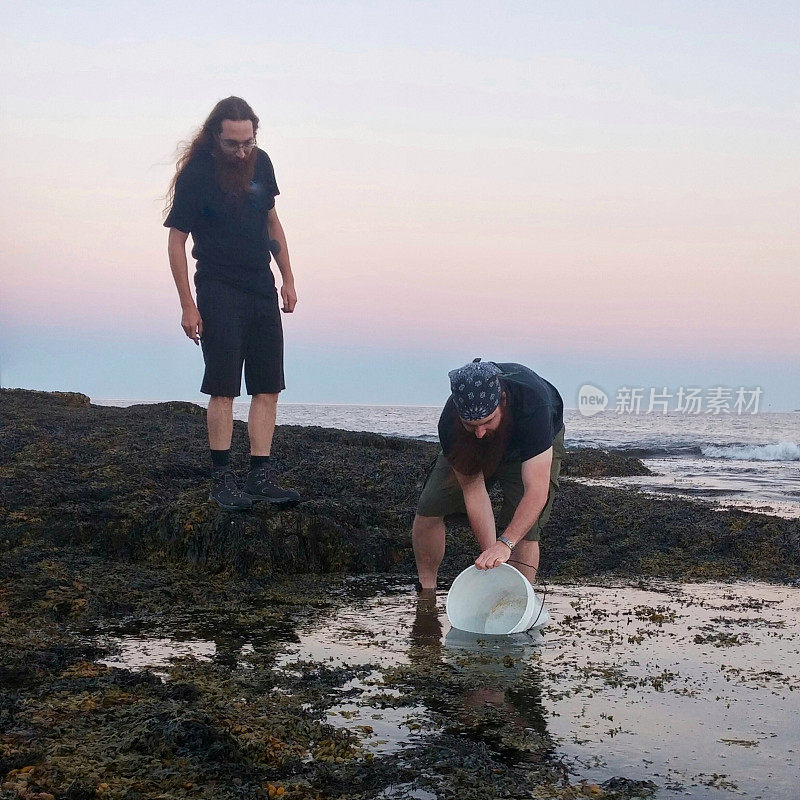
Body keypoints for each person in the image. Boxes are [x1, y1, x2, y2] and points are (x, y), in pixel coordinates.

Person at [164, 96, 300, 511]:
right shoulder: (196, 176)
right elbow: (176, 240)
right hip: (218, 287)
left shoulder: (262, 163)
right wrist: (188, 304)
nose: (241, 151)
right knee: (223, 387)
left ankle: (259, 476)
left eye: (248, 141)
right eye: (232, 144)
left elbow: (271, 221)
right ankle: (221, 481)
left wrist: (288, 278)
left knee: (267, 385)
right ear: (214, 138)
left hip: (261, 284)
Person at [413, 359, 564, 587]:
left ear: (503, 400)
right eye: (471, 424)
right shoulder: (450, 423)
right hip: (469, 448)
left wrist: (505, 543)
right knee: (430, 507)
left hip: (527, 444)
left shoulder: (535, 405)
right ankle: (426, 591)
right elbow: (474, 492)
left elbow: (536, 491)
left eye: (487, 421)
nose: (480, 433)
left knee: (525, 530)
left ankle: (518, 602)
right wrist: (491, 557)